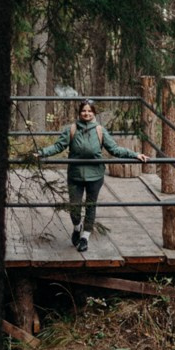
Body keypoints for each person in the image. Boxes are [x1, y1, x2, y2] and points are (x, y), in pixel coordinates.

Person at [36, 98, 141, 251]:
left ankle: (85, 237)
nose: (86, 113)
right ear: (79, 113)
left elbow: (115, 149)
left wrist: (135, 155)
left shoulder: (100, 130)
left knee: (91, 206)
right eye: (84, 111)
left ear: (94, 113)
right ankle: (77, 227)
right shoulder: (71, 129)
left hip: (95, 175)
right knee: (74, 208)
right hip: (75, 175)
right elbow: (59, 146)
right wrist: (41, 153)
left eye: (89, 111)